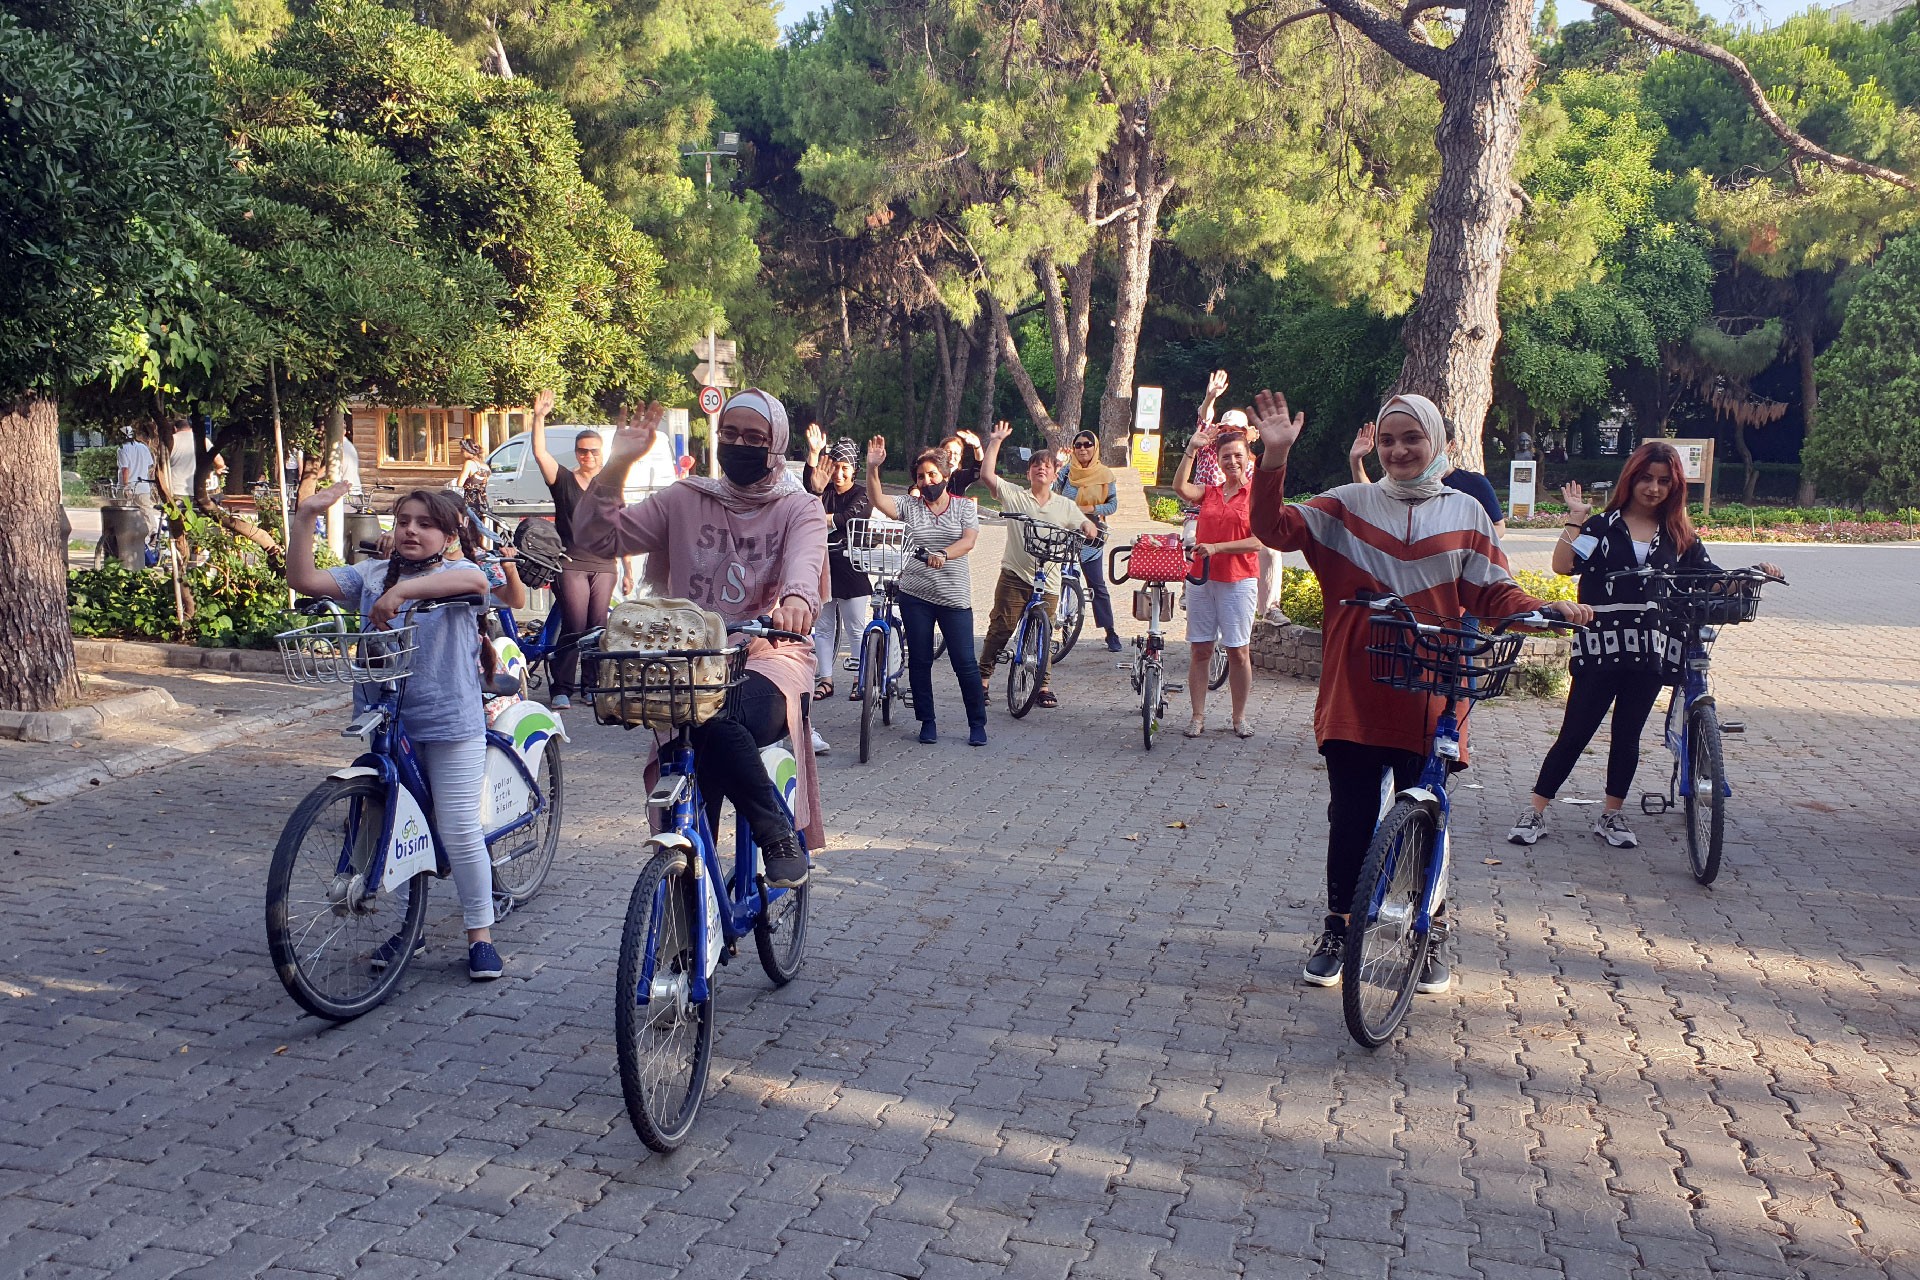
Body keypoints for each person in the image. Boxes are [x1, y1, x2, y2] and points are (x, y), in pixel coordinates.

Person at [1247, 391, 1593, 995]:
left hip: (1435, 689)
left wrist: (1544, 608)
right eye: (1388, 440)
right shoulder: (1345, 505)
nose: (1400, 450)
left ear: (1437, 442)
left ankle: (1428, 929)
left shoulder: (1466, 513)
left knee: (1428, 812)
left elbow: (1494, 596)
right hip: (1356, 686)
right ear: (1376, 445)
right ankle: (1339, 927)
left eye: (1412, 439)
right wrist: (1273, 459)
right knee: (1350, 815)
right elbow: (1272, 528)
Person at [573, 391, 828, 888]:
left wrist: (796, 601)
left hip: (768, 652)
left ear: (776, 444)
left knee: (715, 715)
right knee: (698, 775)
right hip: (689, 658)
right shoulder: (686, 498)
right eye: (730, 435)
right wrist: (618, 464)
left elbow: (804, 564)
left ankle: (774, 832)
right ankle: (696, 923)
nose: (740, 445)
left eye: (755, 438)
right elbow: (596, 539)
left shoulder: (801, 508)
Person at [285, 480, 507, 981]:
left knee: (455, 827)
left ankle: (481, 935)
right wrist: (306, 518)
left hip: (449, 722)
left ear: (449, 533)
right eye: (404, 521)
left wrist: (402, 591)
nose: (411, 530)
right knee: (400, 825)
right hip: (388, 720)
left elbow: (476, 584)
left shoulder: (459, 570)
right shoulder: (371, 575)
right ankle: (412, 925)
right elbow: (303, 579)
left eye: (425, 524)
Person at [1510, 444, 1780, 849]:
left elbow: (1708, 580)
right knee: (1575, 731)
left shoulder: (1680, 535)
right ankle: (1536, 809)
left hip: (1650, 649)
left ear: (1674, 486)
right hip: (1600, 645)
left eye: (1663, 481)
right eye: (1646, 478)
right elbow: (1565, 566)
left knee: (1628, 733)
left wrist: (1753, 574)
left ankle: (1612, 814)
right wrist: (1575, 520)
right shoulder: (1603, 526)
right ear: (1631, 479)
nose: (1653, 488)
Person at [865, 436, 987, 745]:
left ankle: (977, 723)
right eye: (921, 476)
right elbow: (879, 500)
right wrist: (872, 468)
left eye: (932, 475)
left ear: (946, 476)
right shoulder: (910, 505)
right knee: (920, 660)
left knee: (965, 663)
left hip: (954, 596)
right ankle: (926, 721)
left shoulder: (963, 508)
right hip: (915, 594)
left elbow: (969, 540)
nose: (926, 480)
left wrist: (945, 554)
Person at [976, 422, 1100, 711]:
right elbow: (987, 475)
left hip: (1050, 580)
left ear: (1056, 474)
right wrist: (994, 441)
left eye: (1046, 466)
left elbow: (1082, 522)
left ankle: (1042, 686)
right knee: (1001, 628)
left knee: (1045, 633)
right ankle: (982, 679)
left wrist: (1088, 528)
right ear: (1029, 472)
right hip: (1015, 575)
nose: (1040, 470)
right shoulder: (1016, 496)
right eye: (1035, 466)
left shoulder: (1064, 505)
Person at [1171, 422, 1262, 738]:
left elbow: (1259, 541)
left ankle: (1239, 717)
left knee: (1238, 650)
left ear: (1248, 458)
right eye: (1226, 457)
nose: (1232, 462)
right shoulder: (1210, 493)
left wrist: (1217, 547)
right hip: (1202, 579)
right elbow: (1180, 487)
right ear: (1219, 461)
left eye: (1238, 455)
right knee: (1200, 650)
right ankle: (1197, 716)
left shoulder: (1256, 495)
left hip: (1238, 581)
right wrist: (1191, 449)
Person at [526, 394, 617, 711]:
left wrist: (630, 569)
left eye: (594, 450)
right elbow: (539, 453)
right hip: (571, 563)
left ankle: (590, 686)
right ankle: (561, 687)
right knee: (575, 625)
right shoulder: (563, 479)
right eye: (583, 450)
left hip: (606, 564)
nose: (588, 455)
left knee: (597, 627)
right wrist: (539, 417)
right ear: (577, 452)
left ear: (601, 452)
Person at [1194, 371, 1280, 619]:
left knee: (1271, 550)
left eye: (1236, 430)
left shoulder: (1250, 463)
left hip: (1239, 522)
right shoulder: (1209, 449)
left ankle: (1270, 607)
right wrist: (1210, 397)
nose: (1229, 433)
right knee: (1191, 538)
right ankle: (1192, 588)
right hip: (1203, 516)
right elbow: (1204, 419)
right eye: (1226, 428)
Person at [803, 425, 874, 710]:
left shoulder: (862, 494)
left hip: (853, 569)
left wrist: (824, 517)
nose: (840, 474)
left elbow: (849, 517)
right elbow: (808, 496)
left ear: (854, 469)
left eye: (846, 468)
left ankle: (859, 678)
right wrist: (813, 453)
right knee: (823, 627)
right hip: (824, 566)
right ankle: (826, 679)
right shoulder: (825, 491)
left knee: (857, 628)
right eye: (836, 468)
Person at [1349, 418, 1506, 538]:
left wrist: (1464, 542)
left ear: (1450, 445)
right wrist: (1356, 460)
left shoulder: (1474, 484)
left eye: (1437, 441)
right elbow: (1371, 498)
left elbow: (1498, 526)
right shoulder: (1404, 483)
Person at [1053, 428, 1123, 653]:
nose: (1083, 449)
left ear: (1095, 448)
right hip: (1065, 531)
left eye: (1087, 444)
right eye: (1078, 445)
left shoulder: (1105, 475)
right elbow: (1052, 494)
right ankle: (1043, 624)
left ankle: (1110, 631)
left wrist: (1089, 509)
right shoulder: (1066, 472)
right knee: (1052, 577)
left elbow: (1112, 506)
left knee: (1097, 585)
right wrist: (1056, 467)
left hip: (1091, 535)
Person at [116, 426, 159, 538]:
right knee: (146, 510)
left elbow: (125, 469)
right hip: (143, 485)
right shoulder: (143, 447)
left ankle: (125, 534)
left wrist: (125, 486)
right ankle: (153, 532)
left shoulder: (122, 449)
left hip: (128, 485)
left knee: (124, 512)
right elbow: (150, 465)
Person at [941, 430, 983, 495]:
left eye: (956, 453)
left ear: (960, 456)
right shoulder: (932, 473)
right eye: (948, 452)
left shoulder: (962, 476)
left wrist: (977, 446)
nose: (952, 457)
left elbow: (978, 466)